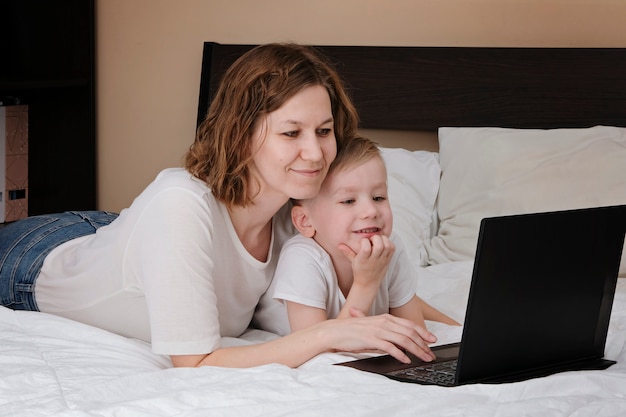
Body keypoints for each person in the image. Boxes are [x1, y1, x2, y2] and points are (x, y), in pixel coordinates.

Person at [0, 42, 437, 368]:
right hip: (35, 258)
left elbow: (387, 296)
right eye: (291, 133)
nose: (316, 152)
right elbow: (194, 365)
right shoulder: (181, 206)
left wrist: (462, 326)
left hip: (115, 231)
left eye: (324, 131)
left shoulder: (299, 207)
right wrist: (330, 335)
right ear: (242, 133)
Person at [256, 136, 459, 337]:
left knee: (453, 326)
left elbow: (416, 332)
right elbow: (316, 349)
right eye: (348, 201)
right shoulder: (301, 259)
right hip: (312, 340)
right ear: (305, 221)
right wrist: (366, 283)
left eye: (378, 197)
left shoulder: (390, 246)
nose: (370, 211)